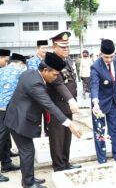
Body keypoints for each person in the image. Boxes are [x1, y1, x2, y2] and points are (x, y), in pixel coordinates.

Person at [4, 52, 82, 188]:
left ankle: (30, 178)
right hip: (19, 121)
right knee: (27, 151)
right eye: (55, 74)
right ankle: (28, 183)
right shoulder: (35, 84)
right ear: (45, 70)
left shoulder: (31, 73)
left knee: (28, 151)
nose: (56, 77)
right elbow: (50, 105)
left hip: (18, 116)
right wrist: (70, 124)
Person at [46, 31, 81, 172]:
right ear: (54, 47)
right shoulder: (51, 62)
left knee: (67, 138)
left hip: (67, 107)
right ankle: (59, 167)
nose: (66, 49)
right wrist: (71, 101)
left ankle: (66, 162)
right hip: (57, 106)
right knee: (57, 139)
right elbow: (58, 83)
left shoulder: (68, 61)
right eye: (62, 47)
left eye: (67, 47)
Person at [90, 39, 116, 164]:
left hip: (114, 102)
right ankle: (102, 160)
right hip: (99, 103)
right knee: (100, 132)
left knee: (115, 130)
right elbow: (94, 85)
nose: (109, 59)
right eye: (106, 57)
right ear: (101, 54)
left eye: (111, 56)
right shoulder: (95, 66)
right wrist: (95, 103)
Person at [0, 52, 24, 183]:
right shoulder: (20, 71)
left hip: (1, 108)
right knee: (1, 138)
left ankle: (6, 163)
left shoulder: (2, 70)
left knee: (4, 137)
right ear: (21, 64)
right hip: (8, 109)